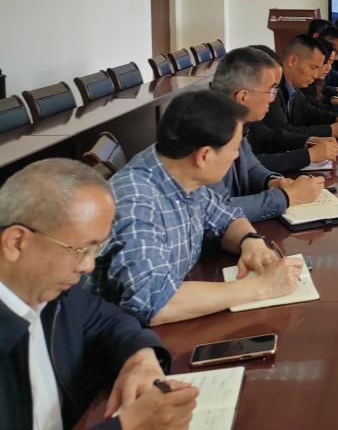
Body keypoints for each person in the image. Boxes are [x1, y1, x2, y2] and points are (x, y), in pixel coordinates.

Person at [0, 159, 198, 430]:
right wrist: (128, 426)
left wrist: (140, 358)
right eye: (81, 250)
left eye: (97, 249)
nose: (88, 266)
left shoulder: (54, 293)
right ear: (17, 242)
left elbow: (107, 320)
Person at [89, 92, 304, 325]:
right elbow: (156, 302)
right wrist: (261, 286)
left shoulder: (180, 171)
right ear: (204, 156)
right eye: (234, 150)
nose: (236, 157)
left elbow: (226, 218)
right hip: (122, 337)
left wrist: (251, 242)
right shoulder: (137, 203)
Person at [210, 47, 325, 223]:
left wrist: (273, 182)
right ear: (243, 96)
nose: (272, 99)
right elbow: (217, 211)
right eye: (271, 90)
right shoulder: (205, 132)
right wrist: (288, 197)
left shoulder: (234, 121)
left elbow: (251, 167)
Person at [246, 44, 338, 172]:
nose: (272, 98)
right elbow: (246, 166)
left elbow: (268, 136)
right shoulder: (223, 125)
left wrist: (308, 141)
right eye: (270, 90)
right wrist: (308, 155)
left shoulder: (244, 117)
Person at [262, 35, 338, 140]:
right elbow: (282, 132)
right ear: (292, 61)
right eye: (313, 67)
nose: (315, 75)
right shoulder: (270, 89)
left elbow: (308, 111)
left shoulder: (294, 87)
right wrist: (330, 130)